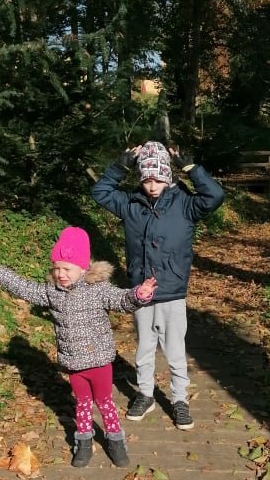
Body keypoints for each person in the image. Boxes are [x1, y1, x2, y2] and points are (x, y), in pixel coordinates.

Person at [0, 226, 156, 468]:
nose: (61, 274)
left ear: (83, 268)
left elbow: (121, 300)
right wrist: (0, 273)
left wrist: (139, 294)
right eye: (57, 268)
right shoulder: (52, 291)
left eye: (67, 269)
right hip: (74, 363)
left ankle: (116, 441)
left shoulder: (98, 289)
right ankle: (83, 443)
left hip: (98, 361)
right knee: (82, 403)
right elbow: (27, 289)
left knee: (105, 402)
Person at [91, 140, 224, 430]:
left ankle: (180, 399)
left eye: (158, 179)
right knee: (144, 348)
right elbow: (100, 192)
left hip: (172, 290)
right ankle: (145, 394)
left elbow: (215, 195)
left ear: (168, 176)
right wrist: (120, 166)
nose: (152, 186)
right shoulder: (130, 204)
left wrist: (191, 169)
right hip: (140, 290)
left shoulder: (186, 204)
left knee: (175, 351)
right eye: (147, 180)